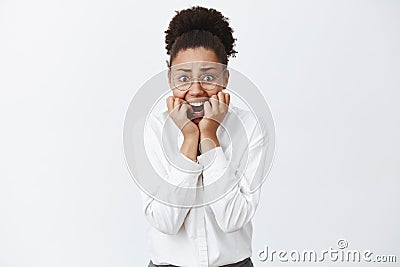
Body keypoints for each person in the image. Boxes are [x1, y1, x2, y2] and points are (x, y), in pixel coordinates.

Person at [141, 6, 267, 267]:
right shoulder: (154, 129)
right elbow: (166, 222)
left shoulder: (249, 126)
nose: (196, 90)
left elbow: (233, 219)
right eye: (183, 78)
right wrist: (189, 140)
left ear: (225, 79)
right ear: (170, 80)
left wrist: (209, 137)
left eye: (208, 77)